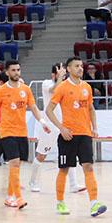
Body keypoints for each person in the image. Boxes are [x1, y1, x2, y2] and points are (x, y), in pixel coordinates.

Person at [0, 60, 49, 209]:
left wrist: (42, 122)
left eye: (18, 70)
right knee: (14, 163)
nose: (16, 73)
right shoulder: (0, 90)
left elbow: (33, 107)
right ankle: (18, 198)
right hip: (7, 131)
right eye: (13, 70)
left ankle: (9, 197)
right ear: (7, 72)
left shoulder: (25, 89)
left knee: (17, 165)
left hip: (22, 131)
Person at [47, 57, 106, 217]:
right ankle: (60, 202)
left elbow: (91, 109)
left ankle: (94, 203)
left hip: (85, 134)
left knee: (88, 167)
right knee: (64, 169)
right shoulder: (62, 87)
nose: (80, 68)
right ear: (68, 69)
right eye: (76, 66)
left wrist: (94, 128)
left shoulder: (87, 87)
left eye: (81, 66)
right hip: (68, 135)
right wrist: (61, 128)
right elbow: (49, 110)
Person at [29, 64, 83, 194]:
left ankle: (73, 184)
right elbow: (54, 90)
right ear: (53, 74)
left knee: (70, 154)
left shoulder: (66, 86)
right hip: (50, 126)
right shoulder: (46, 83)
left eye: (64, 73)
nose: (63, 76)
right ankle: (33, 182)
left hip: (64, 126)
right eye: (60, 73)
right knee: (41, 155)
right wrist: (60, 78)